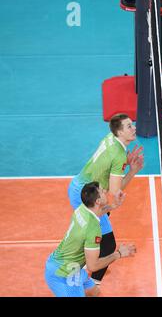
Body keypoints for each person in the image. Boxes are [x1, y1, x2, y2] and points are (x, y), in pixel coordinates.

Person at [68, 113, 143, 285]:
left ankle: (91, 260)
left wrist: (124, 164)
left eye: (132, 124)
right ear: (119, 132)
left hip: (79, 187)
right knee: (108, 244)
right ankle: (92, 285)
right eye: (129, 127)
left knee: (102, 225)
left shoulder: (111, 138)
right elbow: (115, 192)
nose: (134, 129)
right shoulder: (118, 155)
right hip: (86, 196)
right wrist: (132, 171)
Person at [45, 182, 136, 297]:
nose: (105, 192)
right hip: (63, 274)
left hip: (68, 265)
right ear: (97, 201)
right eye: (102, 191)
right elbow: (93, 266)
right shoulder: (93, 230)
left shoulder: (82, 208)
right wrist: (118, 254)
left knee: (94, 292)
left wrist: (113, 206)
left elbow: (97, 212)